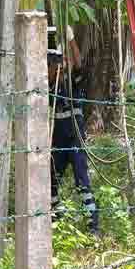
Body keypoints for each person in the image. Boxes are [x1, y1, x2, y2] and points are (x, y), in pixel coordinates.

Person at [48, 25, 99, 235]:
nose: (54, 67)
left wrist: (70, 40)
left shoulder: (73, 83)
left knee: (82, 183)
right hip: (57, 142)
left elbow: (78, 64)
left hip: (75, 141)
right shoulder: (49, 87)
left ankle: (93, 227)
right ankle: (56, 219)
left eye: (56, 63)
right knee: (50, 181)